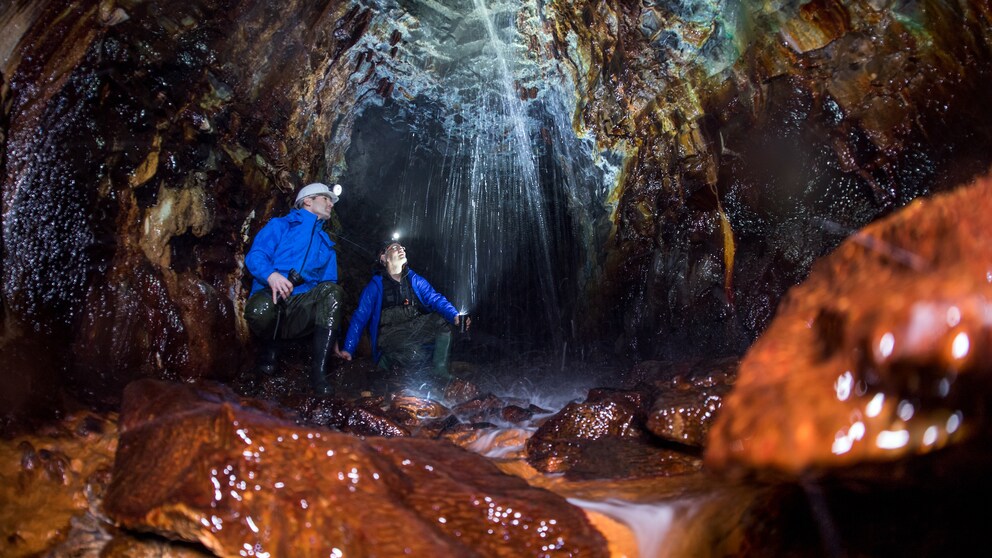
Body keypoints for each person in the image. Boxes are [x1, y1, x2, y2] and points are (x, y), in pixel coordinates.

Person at [243, 182, 345, 395]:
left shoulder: (326, 244)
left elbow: (329, 286)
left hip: (302, 306)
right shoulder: (281, 225)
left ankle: (319, 373)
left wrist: (333, 335)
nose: (330, 204)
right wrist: (271, 275)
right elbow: (256, 255)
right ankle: (269, 350)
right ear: (308, 200)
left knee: (333, 292)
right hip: (271, 295)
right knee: (258, 311)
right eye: (325, 198)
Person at [339, 239, 469, 390]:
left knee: (443, 321)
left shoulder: (414, 280)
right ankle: (386, 361)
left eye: (402, 248)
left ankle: (440, 370)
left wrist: (454, 315)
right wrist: (348, 349)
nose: (402, 250)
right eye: (395, 248)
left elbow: (435, 298)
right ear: (383, 257)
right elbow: (359, 317)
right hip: (390, 333)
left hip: (414, 326)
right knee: (415, 355)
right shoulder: (375, 286)